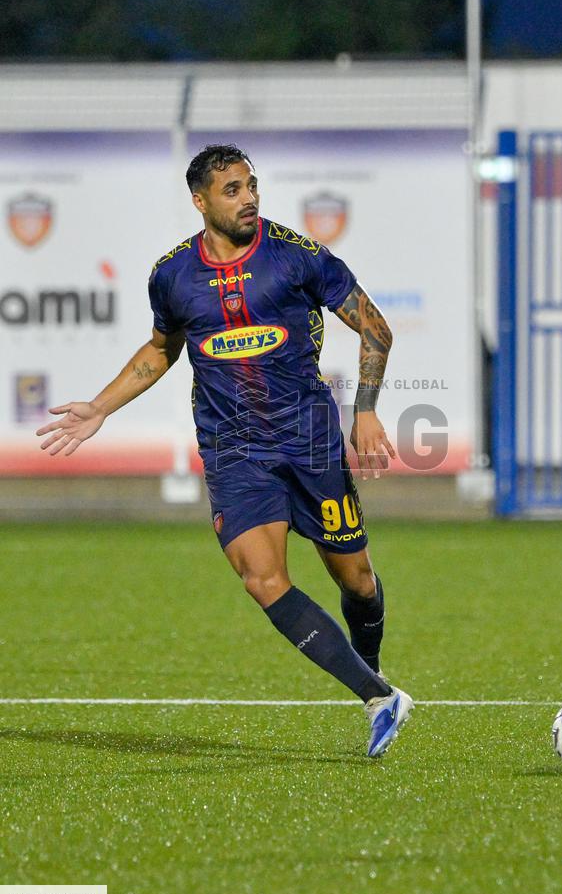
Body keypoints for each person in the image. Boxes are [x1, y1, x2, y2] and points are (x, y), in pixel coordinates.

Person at [36, 144, 413, 758]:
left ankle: (371, 673)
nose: (249, 199)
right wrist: (100, 407)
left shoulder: (298, 257)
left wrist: (365, 409)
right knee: (262, 579)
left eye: (252, 186)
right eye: (233, 190)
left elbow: (375, 327)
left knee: (358, 580)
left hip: (309, 441)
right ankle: (378, 698)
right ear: (200, 201)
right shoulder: (173, 274)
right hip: (232, 448)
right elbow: (161, 348)